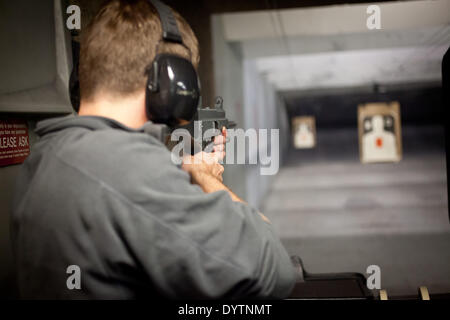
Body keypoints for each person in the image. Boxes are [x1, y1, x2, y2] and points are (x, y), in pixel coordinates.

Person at [10, 0, 296, 299]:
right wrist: (204, 177)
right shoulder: (128, 168)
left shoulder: (43, 155)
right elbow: (273, 270)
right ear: (172, 81)